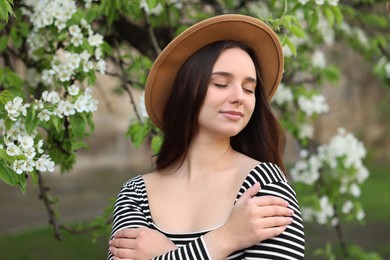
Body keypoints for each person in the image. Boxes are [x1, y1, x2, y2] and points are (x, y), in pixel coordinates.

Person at [108, 14, 305, 260]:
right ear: (187, 90)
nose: (239, 97)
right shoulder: (135, 194)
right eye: (221, 83)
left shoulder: (263, 185)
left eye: (248, 88)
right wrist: (224, 239)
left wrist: (166, 254)